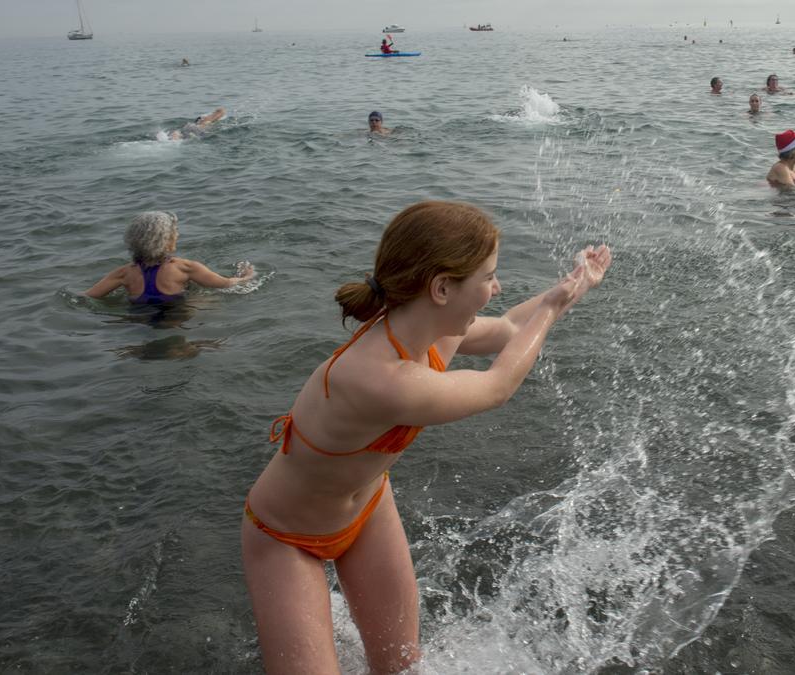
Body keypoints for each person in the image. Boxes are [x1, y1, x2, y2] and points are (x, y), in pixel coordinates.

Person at [240, 201, 612, 673]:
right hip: (286, 536)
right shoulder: (380, 378)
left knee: (402, 665)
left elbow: (514, 327)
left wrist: (572, 286)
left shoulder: (431, 333)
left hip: (369, 510)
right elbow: (497, 386)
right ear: (441, 288)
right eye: (489, 277)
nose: (496, 289)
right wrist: (555, 306)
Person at [85, 211, 255, 304]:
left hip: (139, 320)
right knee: (207, 299)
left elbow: (88, 297)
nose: (178, 235)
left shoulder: (123, 273)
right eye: (176, 232)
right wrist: (246, 276)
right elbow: (225, 284)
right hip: (176, 316)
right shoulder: (185, 267)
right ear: (166, 240)